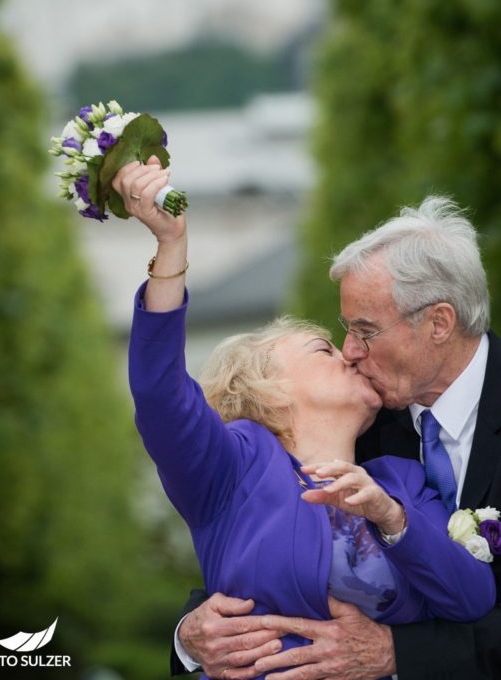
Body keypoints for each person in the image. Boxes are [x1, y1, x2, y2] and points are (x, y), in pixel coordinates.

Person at [111, 163, 496, 680]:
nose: (350, 352)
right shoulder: (237, 462)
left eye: (363, 331)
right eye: (329, 344)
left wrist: (393, 520)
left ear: (439, 323)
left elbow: (471, 598)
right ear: (267, 389)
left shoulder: (398, 481)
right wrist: (172, 246)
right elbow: (160, 394)